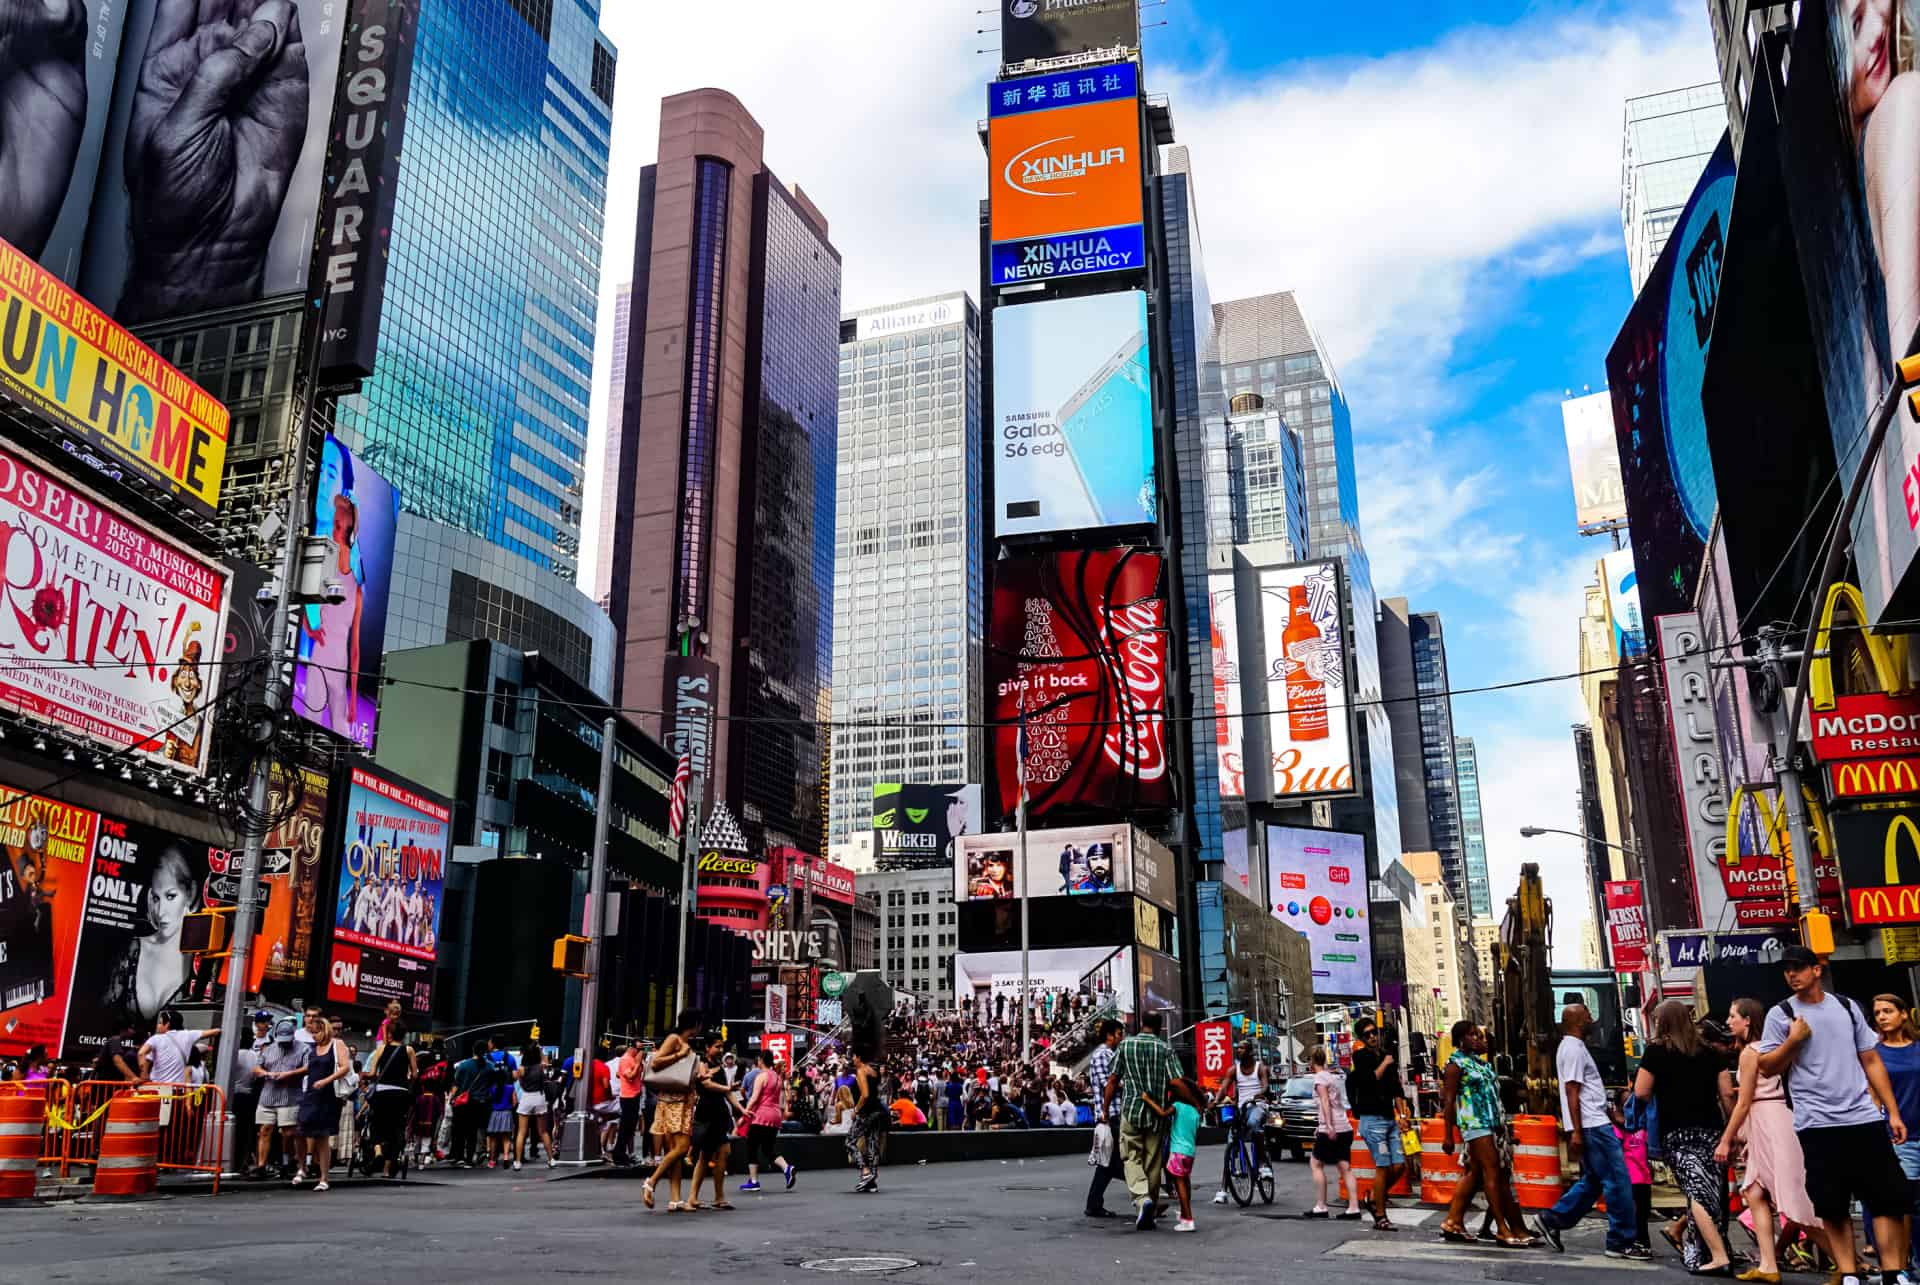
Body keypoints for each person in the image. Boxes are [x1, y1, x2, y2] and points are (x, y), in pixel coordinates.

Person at [1756, 946, 1912, 1285]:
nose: (1791, 974)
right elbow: (1766, 1067)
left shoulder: (1846, 1006)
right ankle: (1849, 1272)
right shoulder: (1781, 1014)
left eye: (1798, 967)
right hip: (1816, 1123)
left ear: (1816, 969)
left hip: (1863, 1117)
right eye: (1786, 970)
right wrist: (1793, 1041)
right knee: (1831, 1203)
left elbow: (1870, 1059)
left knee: (1886, 1198)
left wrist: (1892, 1112)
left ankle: (1892, 1271)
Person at [1715, 996, 1817, 1284]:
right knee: (1756, 1193)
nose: (1728, 1021)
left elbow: (1744, 1102)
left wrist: (1727, 1139)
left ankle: (1849, 1261)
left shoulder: (1750, 1052)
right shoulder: (1776, 1049)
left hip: (1768, 1121)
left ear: (1747, 1020)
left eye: (1733, 1015)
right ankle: (1768, 1264)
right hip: (1776, 1117)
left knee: (1793, 1199)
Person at [1532, 1004, 1642, 1259]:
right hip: (1592, 1127)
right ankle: (1620, 1241)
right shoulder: (1571, 1048)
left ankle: (1551, 1219)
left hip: (1594, 1123)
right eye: (1588, 1015)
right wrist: (1577, 1132)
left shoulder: (1576, 1047)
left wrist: (1608, 1115)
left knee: (1594, 1181)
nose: (1592, 1018)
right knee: (1617, 1181)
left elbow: (1586, 1092)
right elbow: (1572, 1090)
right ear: (1578, 1022)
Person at [1637, 998, 1734, 1273]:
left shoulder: (1656, 1052)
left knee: (1696, 1193)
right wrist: (1733, 1131)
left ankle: (1717, 1256)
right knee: (1712, 1192)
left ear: (1662, 1023)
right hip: (1712, 1131)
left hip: (1676, 1133)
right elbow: (1727, 1094)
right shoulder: (1711, 1052)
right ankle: (1704, 1252)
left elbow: (1641, 1092)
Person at [1439, 1021, 1532, 1247]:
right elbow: (1449, 1101)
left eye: (1479, 1035)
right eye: (1473, 1035)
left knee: (1482, 1174)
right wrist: (1448, 1134)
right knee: (1493, 1173)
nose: (1479, 1039)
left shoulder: (1482, 1065)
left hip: (1492, 1124)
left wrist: (1501, 1124)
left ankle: (1455, 1221)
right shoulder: (1455, 1065)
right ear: (1461, 1039)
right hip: (1474, 1124)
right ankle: (1501, 1228)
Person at [107, 846, 199, 1028]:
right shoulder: (132, 951)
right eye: (156, 898)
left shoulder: (201, 959)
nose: (160, 911)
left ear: (191, 894)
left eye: (171, 896)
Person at [1107, 1011, 1181, 1231]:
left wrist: (1104, 1110)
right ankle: (1150, 1204)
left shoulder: (1126, 1046)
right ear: (1159, 1027)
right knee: (1153, 1162)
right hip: (1157, 1116)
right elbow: (1176, 1081)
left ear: (1141, 1024)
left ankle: (1142, 1200)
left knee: (1131, 1157)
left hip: (1131, 1110)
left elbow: (1112, 1080)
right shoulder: (1165, 1048)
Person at [1872, 994, 1920, 1277]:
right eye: (1878, 1012)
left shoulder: (1917, 1049)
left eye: (1888, 1011)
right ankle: (1902, 1268)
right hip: (1898, 1137)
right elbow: (1872, 1095)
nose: (1882, 1016)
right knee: (1905, 1204)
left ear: (1904, 1015)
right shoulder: (1875, 1053)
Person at [1347, 1019, 1406, 1231]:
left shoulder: (1386, 1056)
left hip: (1389, 1119)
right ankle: (1380, 1215)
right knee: (1382, 1167)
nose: (1372, 1036)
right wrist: (1385, 1063)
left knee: (1399, 1165)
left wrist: (1402, 1113)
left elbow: (1395, 1088)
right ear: (1361, 1038)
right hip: (1372, 1120)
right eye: (1367, 1034)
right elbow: (1370, 1080)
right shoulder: (1360, 1057)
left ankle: (1373, 1196)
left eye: (1374, 1032)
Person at [643, 1010, 701, 1212]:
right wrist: (679, 1055)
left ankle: (675, 1199)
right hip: (672, 1103)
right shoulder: (674, 1039)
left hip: (681, 1102)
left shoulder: (684, 1042)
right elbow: (657, 1061)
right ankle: (651, 1182)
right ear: (694, 1024)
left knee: (674, 1152)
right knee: (682, 1148)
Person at [1211, 1040, 1272, 1207]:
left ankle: (1262, 1165)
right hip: (1241, 1109)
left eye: (1242, 1048)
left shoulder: (1260, 1068)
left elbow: (1266, 1085)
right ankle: (1223, 1189)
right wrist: (1216, 1101)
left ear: (1250, 1051)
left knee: (1253, 1123)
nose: (1239, 1050)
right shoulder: (1233, 1070)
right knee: (1231, 1143)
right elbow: (1223, 1088)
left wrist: (1260, 1093)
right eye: (1237, 1048)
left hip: (1257, 1106)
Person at [295, 1011, 350, 1192]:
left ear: (324, 1030)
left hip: (327, 1095)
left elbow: (345, 1067)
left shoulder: (337, 1044)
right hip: (311, 1093)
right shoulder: (313, 1049)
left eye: (316, 1032)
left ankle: (324, 1177)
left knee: (322, 1137)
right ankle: (302, 1167)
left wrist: (326, 1080)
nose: (314, 1036)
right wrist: (287, 1074)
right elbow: (307, 1069)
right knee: (300, 1129)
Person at [1306, 1045, 1361, 1221]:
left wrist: (1328, 1126)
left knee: (1316, 1163)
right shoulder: (1333, 1077)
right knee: (1345, 1167)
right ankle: (1354, 1207)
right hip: (1344, 1126)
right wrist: (1321, 1124)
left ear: (1312, 1061)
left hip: (1332, 1127)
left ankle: (1321, 1206)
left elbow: (1325, 1102)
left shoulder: (1319, 1079)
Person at [251, 1014, 308, 1180]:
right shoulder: (269, 1049)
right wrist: (266, 1073)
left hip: (290, 1095)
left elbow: (308, 1067)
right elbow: (256, 1068)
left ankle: (289, 1162)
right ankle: (261, 1166)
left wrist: (290, 1074)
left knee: (289, 1132)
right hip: (268, 1094)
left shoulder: (303, 1048)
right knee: (264, 1130)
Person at [1148, 1075, 1203, 1233]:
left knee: (1180, 1185)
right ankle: (1184, 1214)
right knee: (1185, 1182)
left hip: (1178, 1150)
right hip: (1190, 1152)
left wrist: (1148, 1100)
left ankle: (1188, 1220)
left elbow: (1163, 1113)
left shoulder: (1178, 1106)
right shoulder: (1195, 1111)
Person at [367, 1017, 417, 1178]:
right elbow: (415, 1074)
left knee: (375, 1124)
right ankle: (388, 1169)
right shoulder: (409, 1050)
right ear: (403, 1035)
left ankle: (378, 1151)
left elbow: (373, 1073)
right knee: (397, 1129)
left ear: (389, 1034)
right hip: (401, 1093)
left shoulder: (382, 1048)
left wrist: (364, 1076)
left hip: (383, 1092)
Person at [740, 1048, 795, 1193]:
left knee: (751, 1145)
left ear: (760, 1060)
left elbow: (754, 1097)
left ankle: (753, 1181)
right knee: (767, 1149)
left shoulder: (761, 1076)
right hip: (775, 1115)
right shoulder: (777, 1077)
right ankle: (786, 1167)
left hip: (761, 1115)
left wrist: (744, 1114)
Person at [1084, 1019, 1124, 1218]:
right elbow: (1107, 1083)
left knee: (1108, 1163)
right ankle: (1144, 1196)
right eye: (1118, 1034)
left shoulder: (1111, 1054)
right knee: (1118, 1161)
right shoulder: (1103, 1055)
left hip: (1114, 1114)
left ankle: (1094, 1203)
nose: (1121, 1038)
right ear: (1109, 1035)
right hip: (1111, 1115)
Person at [846, 1048, 889, 1193]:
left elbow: (864, 1095)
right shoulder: (873, 1071)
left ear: (858, 1057)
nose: (852, 1060)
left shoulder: (861, 1071)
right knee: (872, 1144)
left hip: (866, 1112)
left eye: (853, 1057)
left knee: (849, 1142)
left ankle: (865, 1172)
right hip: (878, 1111)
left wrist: (856, 1110)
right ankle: (873, 1180)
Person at [139, 1009, 217, 1085]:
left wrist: (144, 1074)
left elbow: (142, 1054)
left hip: (156, 1088)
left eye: (160, 1023)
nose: (157, 1026)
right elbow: (213, 1032)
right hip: (176, 1090)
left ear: (167, 1024)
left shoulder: (156, 1039)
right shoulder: (187, 1035)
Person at [512, 1044, 553, 1171]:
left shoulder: (521, 1069)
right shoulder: (541, 1067)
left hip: (526, 1098)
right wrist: (540, 1051)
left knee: (521, 1132)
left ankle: (518, 1162)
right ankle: (551, 1159)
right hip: (539, 1097)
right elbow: (546, 1062)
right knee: (543, 1131)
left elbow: (513, 1077)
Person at [482, 1037, 518, 1169]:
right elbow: (515, 1076)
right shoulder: (510, 1058)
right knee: (506, 1135)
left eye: (489, 1042)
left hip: (492, 1102)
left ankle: (492, 1158)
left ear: (493, 1043)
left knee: (492, 1135)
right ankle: (506, 1157)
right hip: (506, 1102)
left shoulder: (486, 1057)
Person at [611, 1041, 645, 1166]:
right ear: (632, 1048)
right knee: (626, 1127)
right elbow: (630, 1076)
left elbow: (619, 1075)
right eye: (639, 1048)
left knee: (630, 1128)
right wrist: (637, 1063)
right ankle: (618, 1155)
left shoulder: (631, 1059)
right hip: (628, 1097)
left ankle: (621, 1153)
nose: (640, 1051)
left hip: (634, 1095)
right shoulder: (626, 1059)